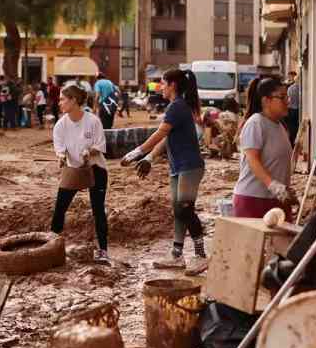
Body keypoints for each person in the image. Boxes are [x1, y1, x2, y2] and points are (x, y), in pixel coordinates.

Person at [122, 69, 207, 274]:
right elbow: (166, 138)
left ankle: (201, 255)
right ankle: (177, 256)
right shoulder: (176, 106)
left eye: (163, 83)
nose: (160, 87)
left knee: (185, 209)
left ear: (173, 85)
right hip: (178, 166)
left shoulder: (177, 107)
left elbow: (160, 133)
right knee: (178, 211)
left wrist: (137, 152)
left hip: (190, 166)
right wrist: (150, 158)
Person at [50, 85, 110, 263]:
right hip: (73, 169)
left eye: (62, 99)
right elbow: (59, 149)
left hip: (95, 168)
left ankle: (103, 250)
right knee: (60, 207)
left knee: (98, 209)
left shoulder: (93, 121)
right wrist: (61, 157)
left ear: (74, 100)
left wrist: (88, 152)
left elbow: (100, 146)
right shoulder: (60, 125)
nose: (59, 103)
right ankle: (51, 245)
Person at [233, 77, 297, 219]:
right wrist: (274, 186)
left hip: (277, 200)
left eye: (287, 96)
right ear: (266, 100)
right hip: (254, 201)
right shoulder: (256, 123)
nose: (288, 101)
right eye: (282, 97)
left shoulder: (280, 126)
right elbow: (252, 160)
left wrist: (283, 189)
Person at [285, 71, 300, 146]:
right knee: (296, 127)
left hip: (291, 110)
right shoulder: (301, 89)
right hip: (298, 110)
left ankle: (292, 142)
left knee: (291, 127)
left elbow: (288, 100)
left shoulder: (290, 88)